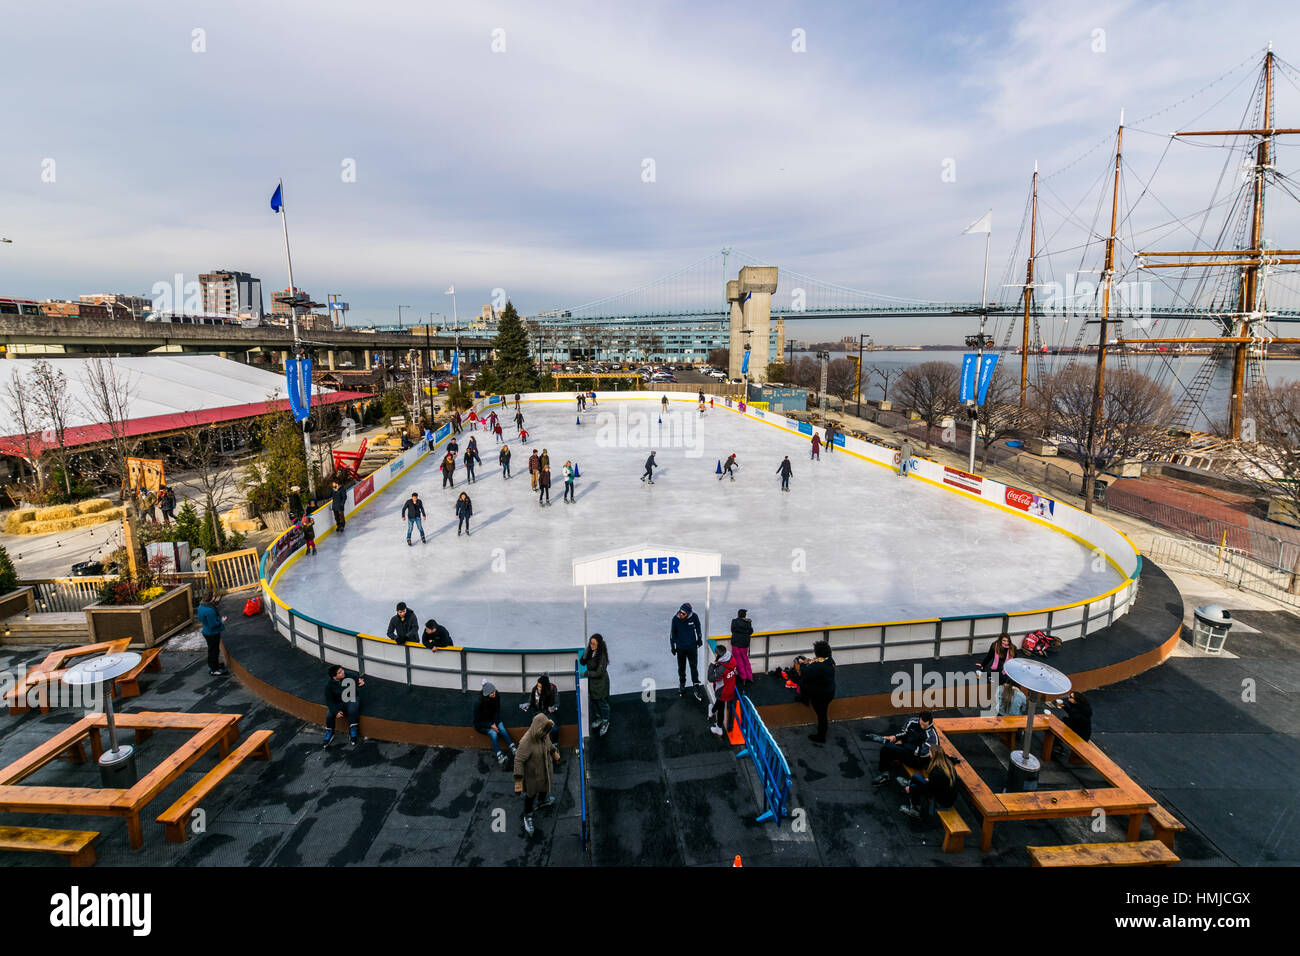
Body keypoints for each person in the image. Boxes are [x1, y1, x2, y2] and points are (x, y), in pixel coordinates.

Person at [514, 712, 559, 836]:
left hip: (545, 769)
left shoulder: (544, 734)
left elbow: (549, 744)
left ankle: (542, 800)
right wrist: (518, 782)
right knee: (530, 796)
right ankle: (527, 815)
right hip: (532, 776)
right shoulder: (526, 741)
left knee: (545, 786)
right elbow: (518, 760)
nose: (546, 733)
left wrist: (554, 753)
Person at [873, 711, 939, 784]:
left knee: (889, 748)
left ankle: (885, 741)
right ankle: (885, 773)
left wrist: (904, 743)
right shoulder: (912, 721)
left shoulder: (932, 736)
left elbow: (922, 753)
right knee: (886, 748)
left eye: (925, 725)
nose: (922, 727)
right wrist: (895, 737)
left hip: (917, 760)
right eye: (921, 724)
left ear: (930, 723)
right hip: (907, 750)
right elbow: (904, 732)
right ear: (919, 719)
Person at [901, 744, 958, 819]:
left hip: (943, 801)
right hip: (947, 795)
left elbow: (929, 790)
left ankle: (915, 810)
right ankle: (910, 786)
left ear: (933, 755)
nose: (929, 754)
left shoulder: (936, 773)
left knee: (914, 787)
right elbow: (954, 760)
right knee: (915, 777)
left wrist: (912, 789)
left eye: (930, 753)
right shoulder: (947, 761)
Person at [801, 640, 836, 743]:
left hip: (820, 695)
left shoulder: (818, 667)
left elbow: (805, 672)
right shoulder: (830, 661)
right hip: (829, 691)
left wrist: (804, 664)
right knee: (822, 713)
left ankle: (821, 736)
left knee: (822, 715)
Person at [474, 682, 516, 765]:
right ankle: (499, 756)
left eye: (494, 691)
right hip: (482, 724)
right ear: (487, 694)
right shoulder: (478, 703)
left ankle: (513, 747)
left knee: (502, 729)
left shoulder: (497, 695)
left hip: (493, 720)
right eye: (492, 693)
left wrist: (495, 724)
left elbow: (497, 710)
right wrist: (490, 725)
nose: (494, 693)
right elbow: (477, 721)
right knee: (493, 734)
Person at [323, 664, 364, 748]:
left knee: (353, 709)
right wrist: (335, 711)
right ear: (335, 677)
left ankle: (353, 730)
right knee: (330, 714)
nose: (343, 672)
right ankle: (330, 732)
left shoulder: (349, 675)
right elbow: (329, 701)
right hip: (339, 702)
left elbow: (357, 679)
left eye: (342, 670)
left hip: (352, 698)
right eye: (340, 672)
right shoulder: (329, 686)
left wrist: (360, 681)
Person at [519, 673, 562, 749]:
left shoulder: (553, 688)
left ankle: (555, 744)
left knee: (555, 729)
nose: (538, 688)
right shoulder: (534, 689)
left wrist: (553, 708)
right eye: (538, 685)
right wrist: (527, 706)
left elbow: (557, 703)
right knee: (536, 732)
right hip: (538, 713)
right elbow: (530, 702)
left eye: (540, 687)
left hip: (548, 713)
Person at [670, 602, 703, 699]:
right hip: (680, 648)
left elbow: (698, 627)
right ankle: (682, 683)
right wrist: (672, 646)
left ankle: (696, 684)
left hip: (692, 647)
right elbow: (673, 634)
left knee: (693, 667)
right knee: (681, 667)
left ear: (688, 613)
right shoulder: (675, 619)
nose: (681, 614)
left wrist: (699, 638)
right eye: (680, 612)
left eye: (683, 613)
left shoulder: (694, 617)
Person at [581, 633, 611, 736]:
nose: (591, 645)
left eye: (594, 644)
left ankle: (605, 721)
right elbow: (582, 662)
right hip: (592, 683)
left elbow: (599, 673)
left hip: (600, 683)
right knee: (594, 701)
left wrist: (586, 673)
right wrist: (585, 654)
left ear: (599, 644)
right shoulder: (590, 652)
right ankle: (599, 718)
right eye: (590, 643)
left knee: (602, 703)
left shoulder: (602, 656)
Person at [1050, 690, 1092, 761]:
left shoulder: (1075, 711)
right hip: (1085, 733)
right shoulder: (1082, 707)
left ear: (1075, 701)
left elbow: (1071, 723)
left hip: (1080, 736)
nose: (1068, 698)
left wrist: (1064, 719)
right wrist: (1065, 707)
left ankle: (1052, 747)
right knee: (1061, 725)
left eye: (1071, 697)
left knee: (1057, 729)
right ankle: (1056, 744)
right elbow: (1074, 716)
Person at [708, 643, 739, 737]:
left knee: (721, 708)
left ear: (717, 655)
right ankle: (712, 710)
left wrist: (711, 666)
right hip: (730, 687)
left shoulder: (722, 668)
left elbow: (710, 678)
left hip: (722, 690)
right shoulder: (731, 659)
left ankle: (719, 728)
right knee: (719, 702)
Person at [196, 595, 228, 676]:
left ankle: (213, 665)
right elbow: (213, 625)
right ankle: (214, 670)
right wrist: (222, 621)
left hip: (206, 631)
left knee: (211, 650)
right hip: (212, 633)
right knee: (214, 651)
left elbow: (200, 618)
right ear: (212, 598)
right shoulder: (210, 610)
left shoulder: (201, 606)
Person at [729, 609, 754, 687]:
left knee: (739, 661)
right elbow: (751, 632)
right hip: (744, 644)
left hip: (736, 644)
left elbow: (732, 630)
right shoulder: (748, 622)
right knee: (745, 660)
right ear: (744, 615)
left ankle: (743, 678)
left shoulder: (734, 621)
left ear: (738, 614)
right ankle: (750, 677)